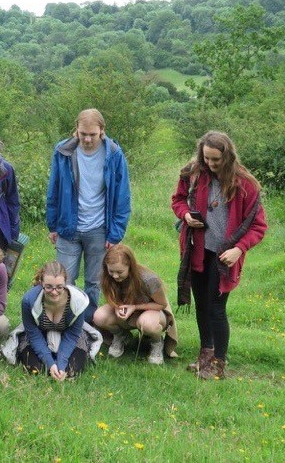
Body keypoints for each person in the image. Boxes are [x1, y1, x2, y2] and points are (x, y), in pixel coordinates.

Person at [172, 131, 267, 379]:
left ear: (228, 156)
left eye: (216, 160)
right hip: (198, 249)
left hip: (224, 256)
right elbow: (178, 200)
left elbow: (258, 226)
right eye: (207, 159)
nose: (211, 164)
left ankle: (218, 364)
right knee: (202, 305)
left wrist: (239, 249)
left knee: (216, 308)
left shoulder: (245, 184)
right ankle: (205, 356)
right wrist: (185, 215)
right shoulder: (192, 174)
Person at [46, 108, 131, 322]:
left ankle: (89, 325)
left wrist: (115, 234)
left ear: (102, 131)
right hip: (68, 226)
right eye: (83, 133)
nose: (87, 138)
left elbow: (122, 196)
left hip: (99, 228)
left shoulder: (114, 154)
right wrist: (53, 225)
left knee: (94, 282)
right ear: (76, 130)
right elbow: (54, 189)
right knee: (65, 279)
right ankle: (66, 323)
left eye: (92, 134)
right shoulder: (63, 152)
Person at [2, 261, 102, 380]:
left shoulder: (78, 301)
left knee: (71, 370)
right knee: (36, 369)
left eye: (59, 287)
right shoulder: (28, 301)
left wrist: (61, 364)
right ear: (41, 283)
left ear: (66, 283)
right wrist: (50, 363)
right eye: (49, 287)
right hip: (39, 333)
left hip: (69, 334)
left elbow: (72, 335)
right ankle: (50, 363)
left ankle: (60, 365)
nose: (54, 292)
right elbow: (33, 334)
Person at [93, 244, 178, 365]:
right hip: (127, 311)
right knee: (99, 316)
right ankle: (121, 336)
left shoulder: (149, 279)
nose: (115, 276)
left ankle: (156, 343)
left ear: (130, 267)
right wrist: (117, 307)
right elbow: (111, 298)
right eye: (111, 271)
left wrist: (134, 307)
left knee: (148, 324)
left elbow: (161, 304)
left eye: (120, 272)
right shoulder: (107, 277)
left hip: (153, 311)